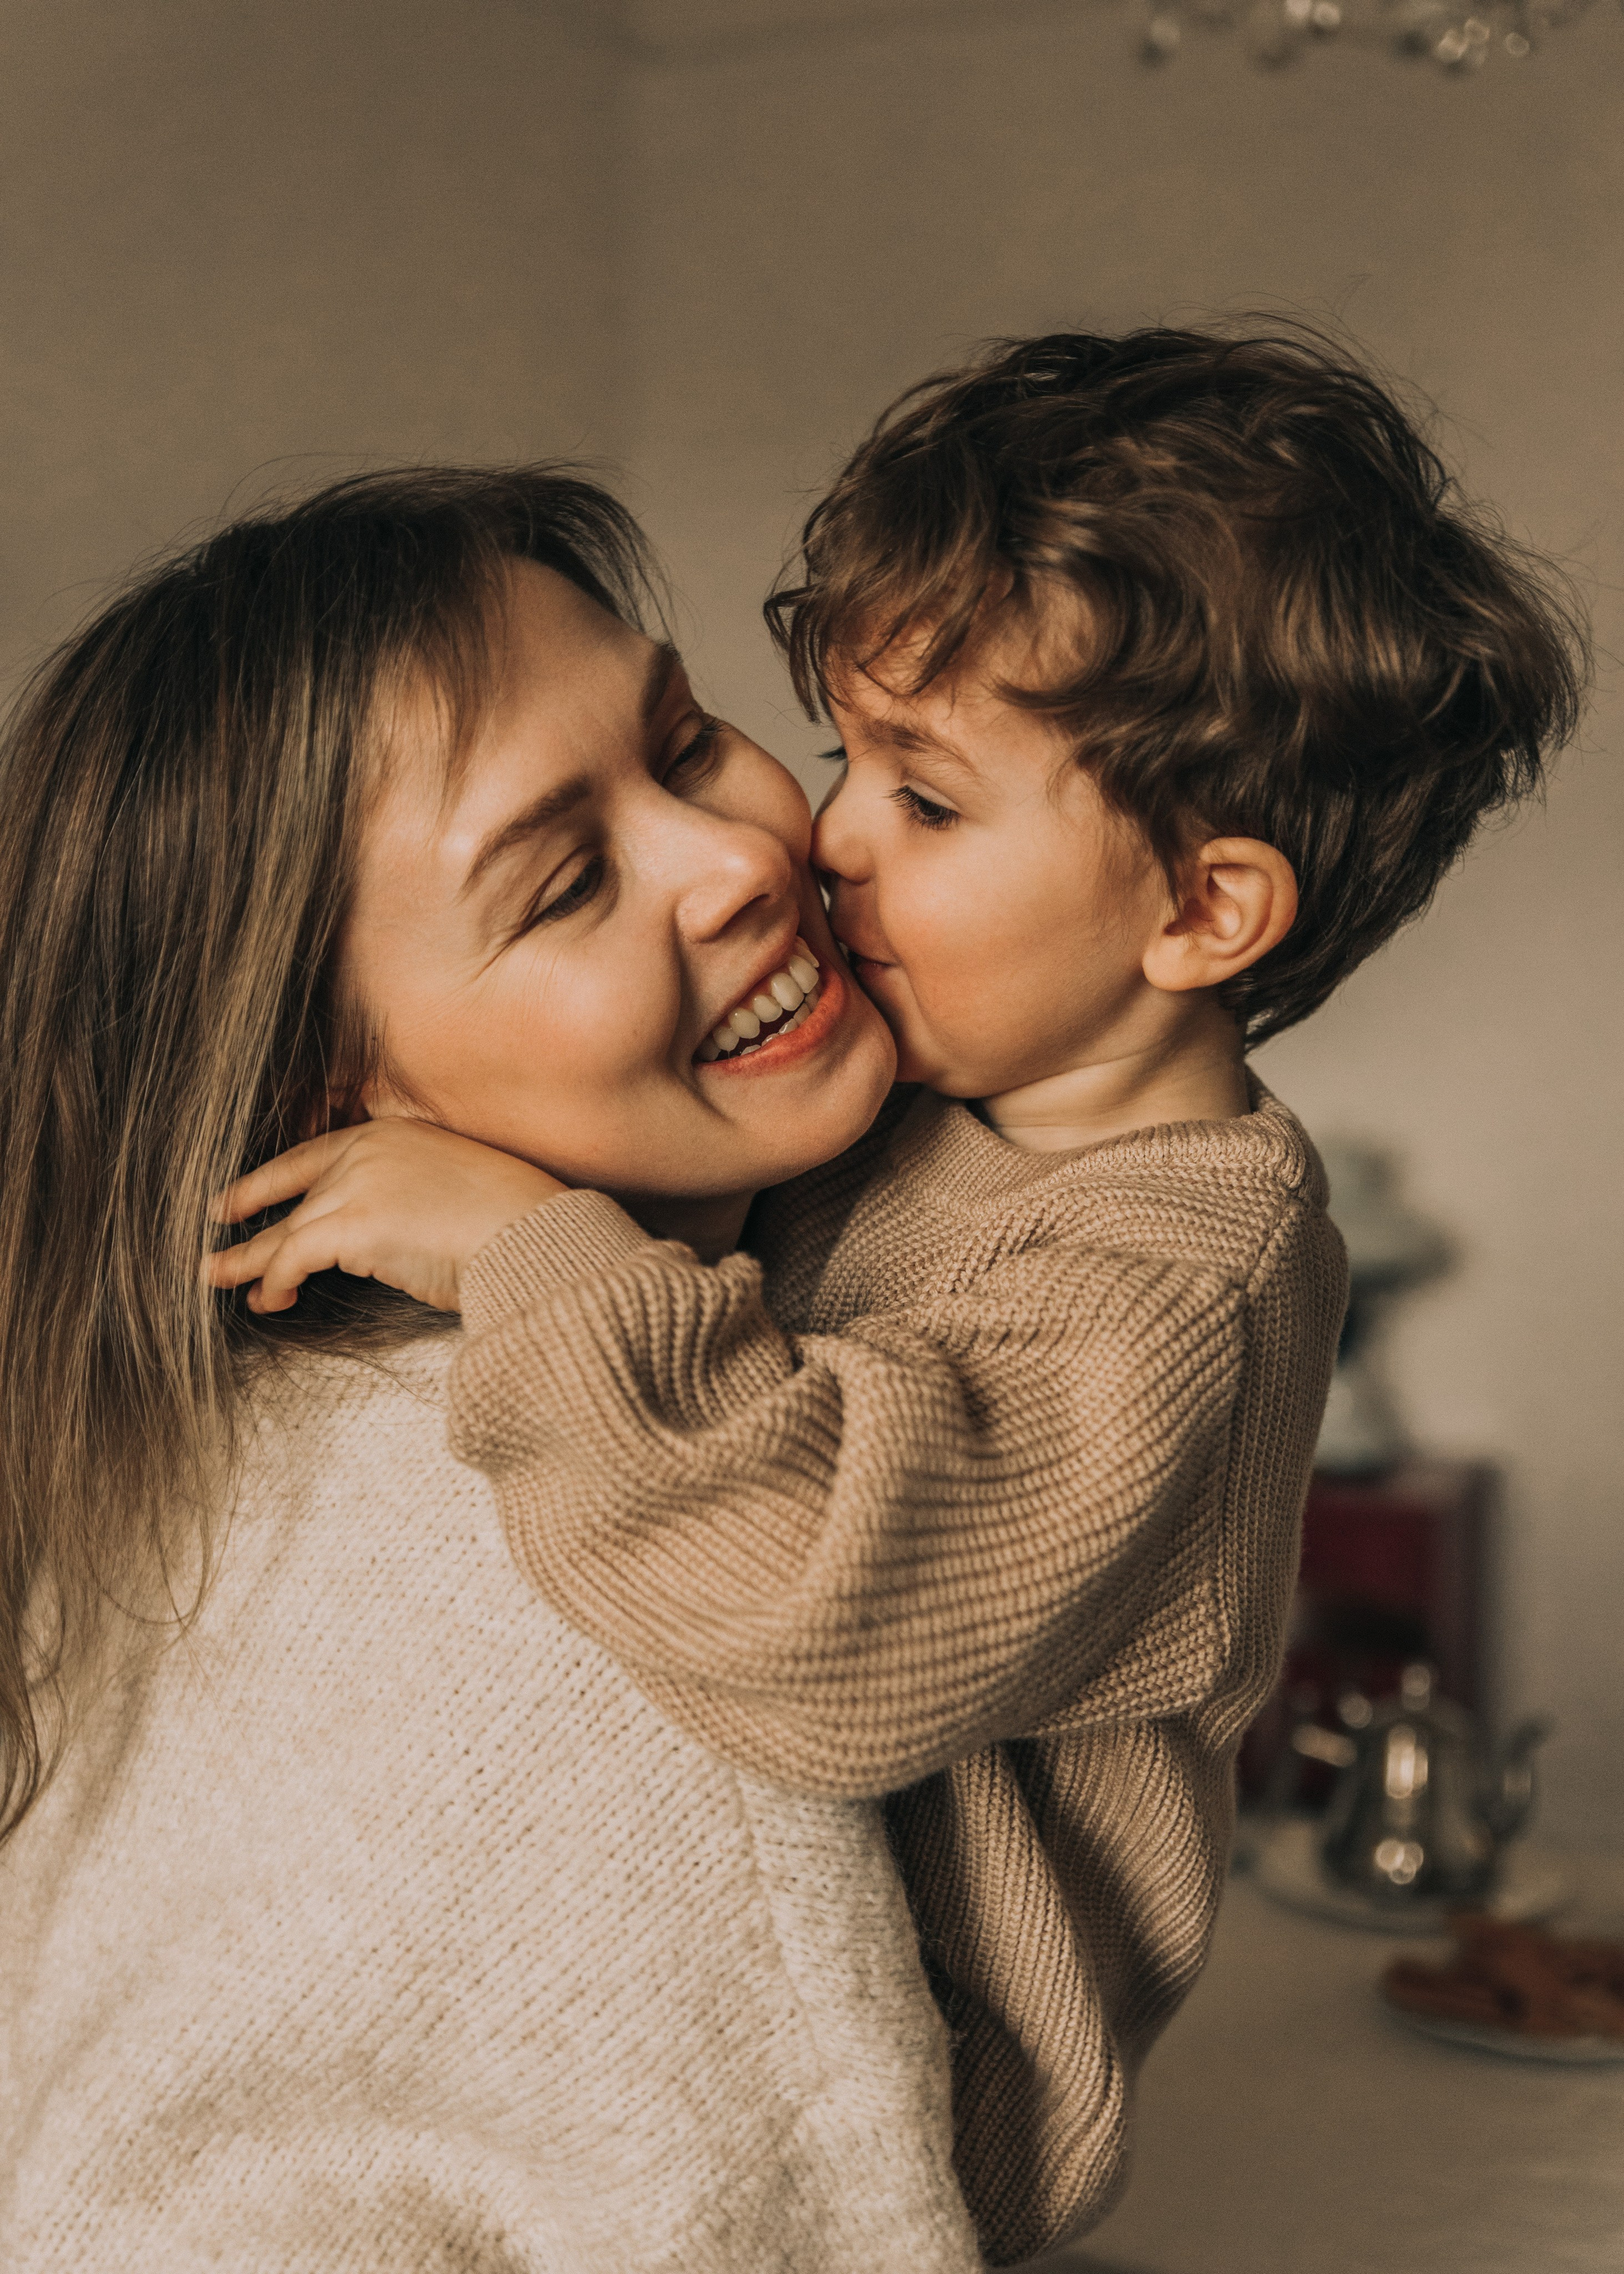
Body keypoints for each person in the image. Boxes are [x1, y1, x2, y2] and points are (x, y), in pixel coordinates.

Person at [218, 327, 1588, 2265]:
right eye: (837, 746)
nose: (823, 837)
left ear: (1201, 913)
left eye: (928, 802)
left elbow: (822, 1623)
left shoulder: (1170, 1285)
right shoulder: (916, 1102)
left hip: (912, 2138)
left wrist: (527, 1251)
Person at [0, 470, 986, 2274]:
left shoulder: (253, 1443)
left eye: (686, 742)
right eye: (563, 886)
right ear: (323, 1091)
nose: (742, 857)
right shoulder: (636, 1577)